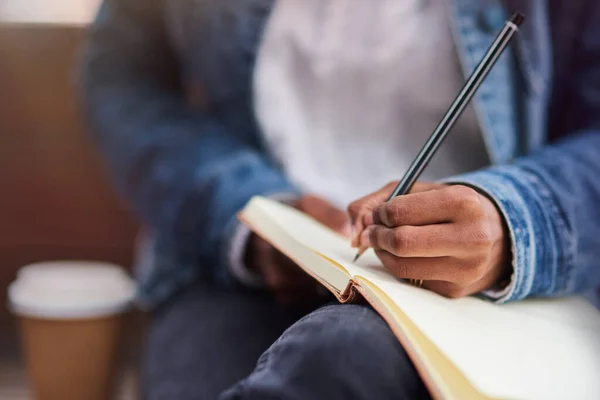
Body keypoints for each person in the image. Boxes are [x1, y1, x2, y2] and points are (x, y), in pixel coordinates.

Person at [80, 0, 600, 399]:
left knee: (345, 354)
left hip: (495, 293)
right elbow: (121, 77)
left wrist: (514, 221)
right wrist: (245, 209)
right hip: (234, 264)